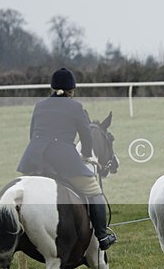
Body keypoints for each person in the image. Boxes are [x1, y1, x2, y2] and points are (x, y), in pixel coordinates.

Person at [17, 67, 117, 250]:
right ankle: (102, 236)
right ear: (72, 89)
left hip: (34, 159)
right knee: (94, 190)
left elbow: (33, 134)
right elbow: (86, 136)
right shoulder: (75, 107)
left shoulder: (39, 105)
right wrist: (86, 155)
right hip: (63, 160)